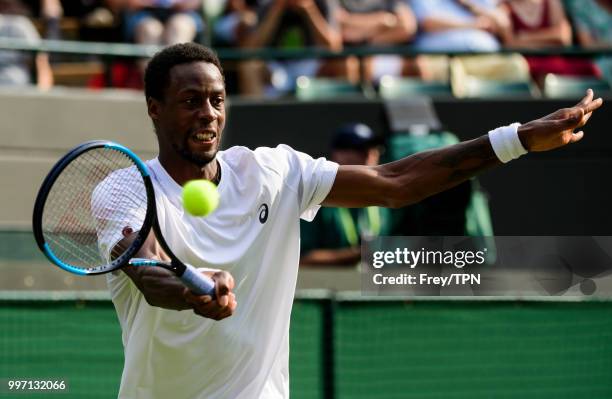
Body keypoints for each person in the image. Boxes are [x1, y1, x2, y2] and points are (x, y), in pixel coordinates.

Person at [104, 42, 602, 398]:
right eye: (191, 101)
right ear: (154, 109)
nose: (209, 114)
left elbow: (396, 181)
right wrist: (193, 286)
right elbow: (146, 270)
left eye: (217, 100)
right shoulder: (126, 187)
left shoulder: (271, 171)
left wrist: (517, 139)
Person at [300, 123, 390, 266]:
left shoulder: (385, 201)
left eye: (374, 149)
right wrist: (358, 254)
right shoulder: (314, 198)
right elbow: (302, 259)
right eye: (360, 149)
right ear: (338, 154)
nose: (370, 154)